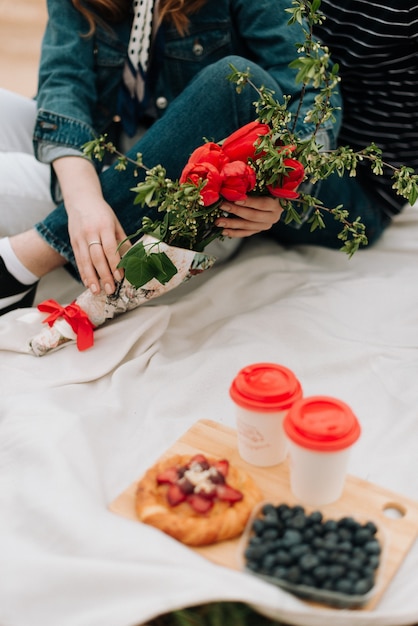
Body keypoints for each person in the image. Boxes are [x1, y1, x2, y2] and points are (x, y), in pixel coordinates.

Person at [1, 0, 416, 317]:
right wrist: (82, 199)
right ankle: (66, 234)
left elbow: (304, 93)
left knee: (236, 80)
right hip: (121, 134)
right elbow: (64, 84)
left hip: (198, 172)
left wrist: (282, 188)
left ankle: (21, 262)